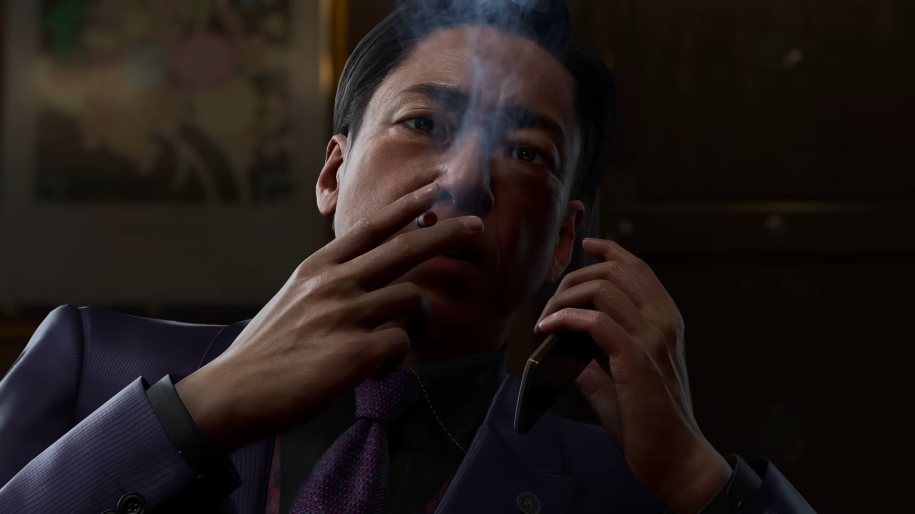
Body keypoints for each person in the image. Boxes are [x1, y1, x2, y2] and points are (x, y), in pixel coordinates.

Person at [0, 1, 815, 513]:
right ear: (332, 173)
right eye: (422, 124)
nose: (463, 182)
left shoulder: (627, 484)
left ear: (563, 242)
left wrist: (698, 479)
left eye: (525, 153)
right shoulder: (91, 365)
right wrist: (193, 415)